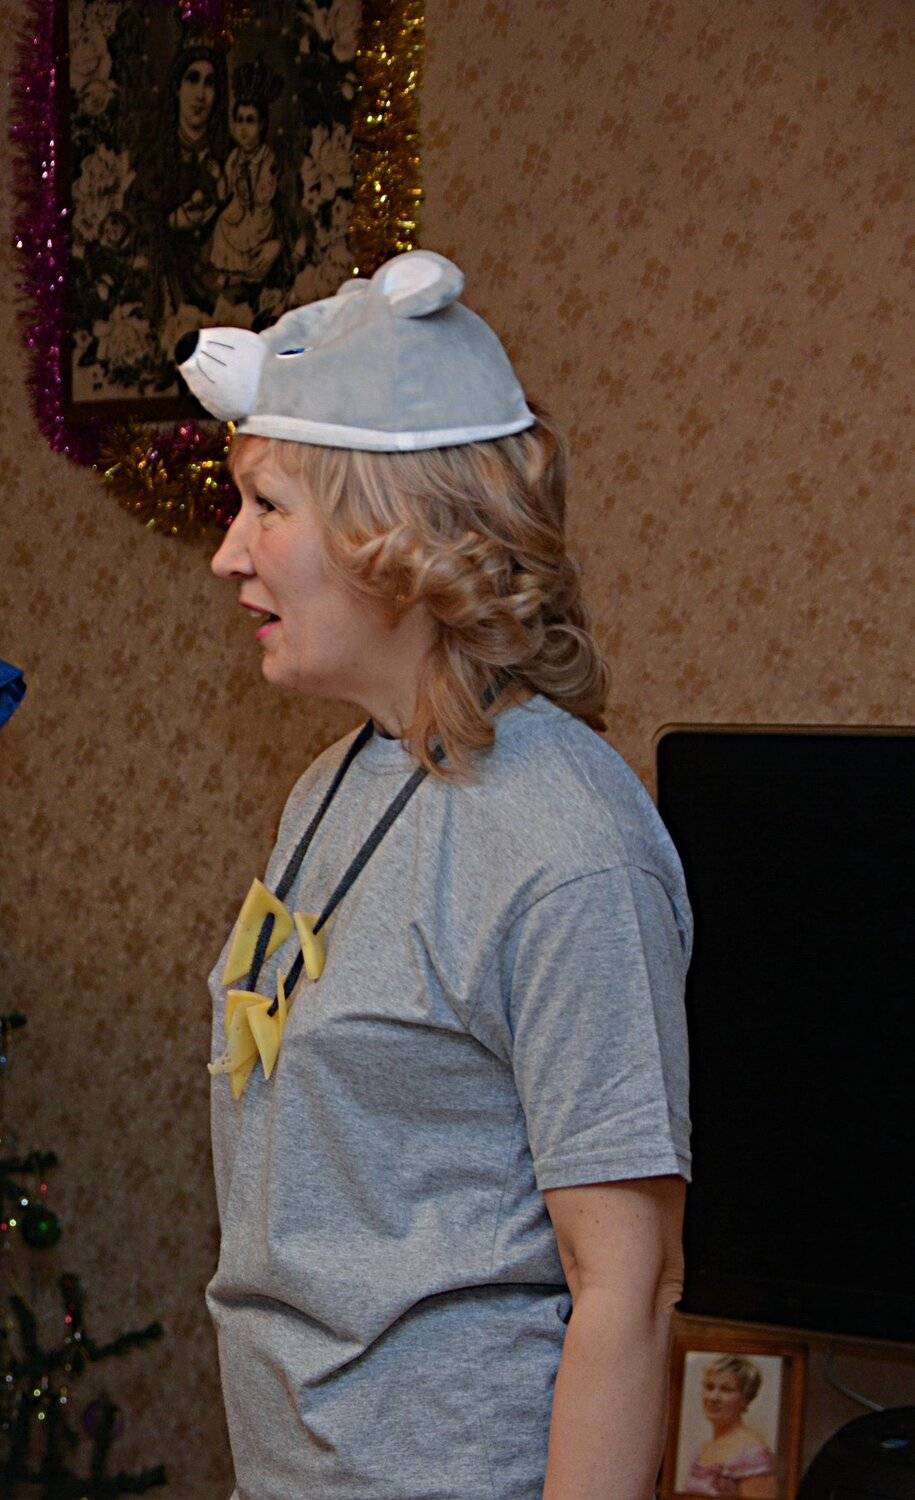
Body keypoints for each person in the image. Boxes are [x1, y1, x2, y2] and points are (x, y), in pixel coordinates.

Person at [179, 249, 692, 1500]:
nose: (228, 555)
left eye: (267, 507)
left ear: (392, 536)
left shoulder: (569, 848)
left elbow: (629, 1289)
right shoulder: (336, 781)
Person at [129, 43, 229, 328]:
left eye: (210, 83)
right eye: (192, 79)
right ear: (176, 87)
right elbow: (135, 219)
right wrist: (172, 222)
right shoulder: (153, 158)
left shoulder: (232, 158)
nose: (200, 94)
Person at [211, 58, 283, 287]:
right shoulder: (235, 156)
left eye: (250, 121)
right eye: (239, 120)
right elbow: (225, 191)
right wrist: (219, 177)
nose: (243, 128)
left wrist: (253, 179)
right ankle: (230, 272)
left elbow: (265, 194)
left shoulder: (266, 157)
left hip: (258, 213)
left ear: (261, 125)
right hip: (238, 209)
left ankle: (248, 275)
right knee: (223, 223)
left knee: (251, 236)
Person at [687, 1356, 777, 1497]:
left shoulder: (753, 1453)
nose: (713, 1397)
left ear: (745, 1398)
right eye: (709, 1387)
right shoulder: (704, 1449)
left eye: (726, 1389)